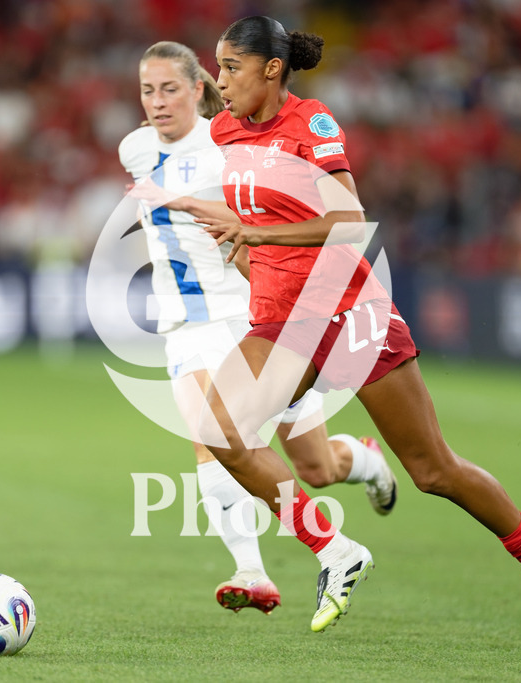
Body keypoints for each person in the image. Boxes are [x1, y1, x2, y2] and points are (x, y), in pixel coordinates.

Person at [190, 16, 521, 660]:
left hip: (348, 310)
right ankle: (336, 549)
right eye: (218, 67)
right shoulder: (225, 129)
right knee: (219, 431)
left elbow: (348, 221)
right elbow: (248, 223)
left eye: (231, 67)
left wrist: (256, 234)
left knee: (433, 471)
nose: (222, 82)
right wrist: (244, 250)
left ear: (270, 69)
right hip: (283, 323)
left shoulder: (312, 122)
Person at [117, 41, 398, 616]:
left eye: (171, 88)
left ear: (200, 89)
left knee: (317, 468)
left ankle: (365, 461)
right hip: (187, 325)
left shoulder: (228, 142)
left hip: (253, 315)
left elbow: (258, 226)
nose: (158, 101)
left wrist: (274, 300)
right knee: (210, 434)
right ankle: (254, 568)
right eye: (148, 90)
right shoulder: (136, 150)